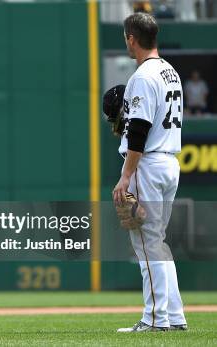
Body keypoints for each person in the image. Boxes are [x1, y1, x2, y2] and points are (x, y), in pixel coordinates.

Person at [112, 13, 187, 333]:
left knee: (146, 244)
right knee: (157, 243)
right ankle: (174, 315)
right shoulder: (171, 72)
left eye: (126, 38)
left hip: (149, 164)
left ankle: (155, 319)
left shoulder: (142, 76)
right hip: (169, 161)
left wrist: (126, 176)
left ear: (132, 38)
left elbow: (139, 129)